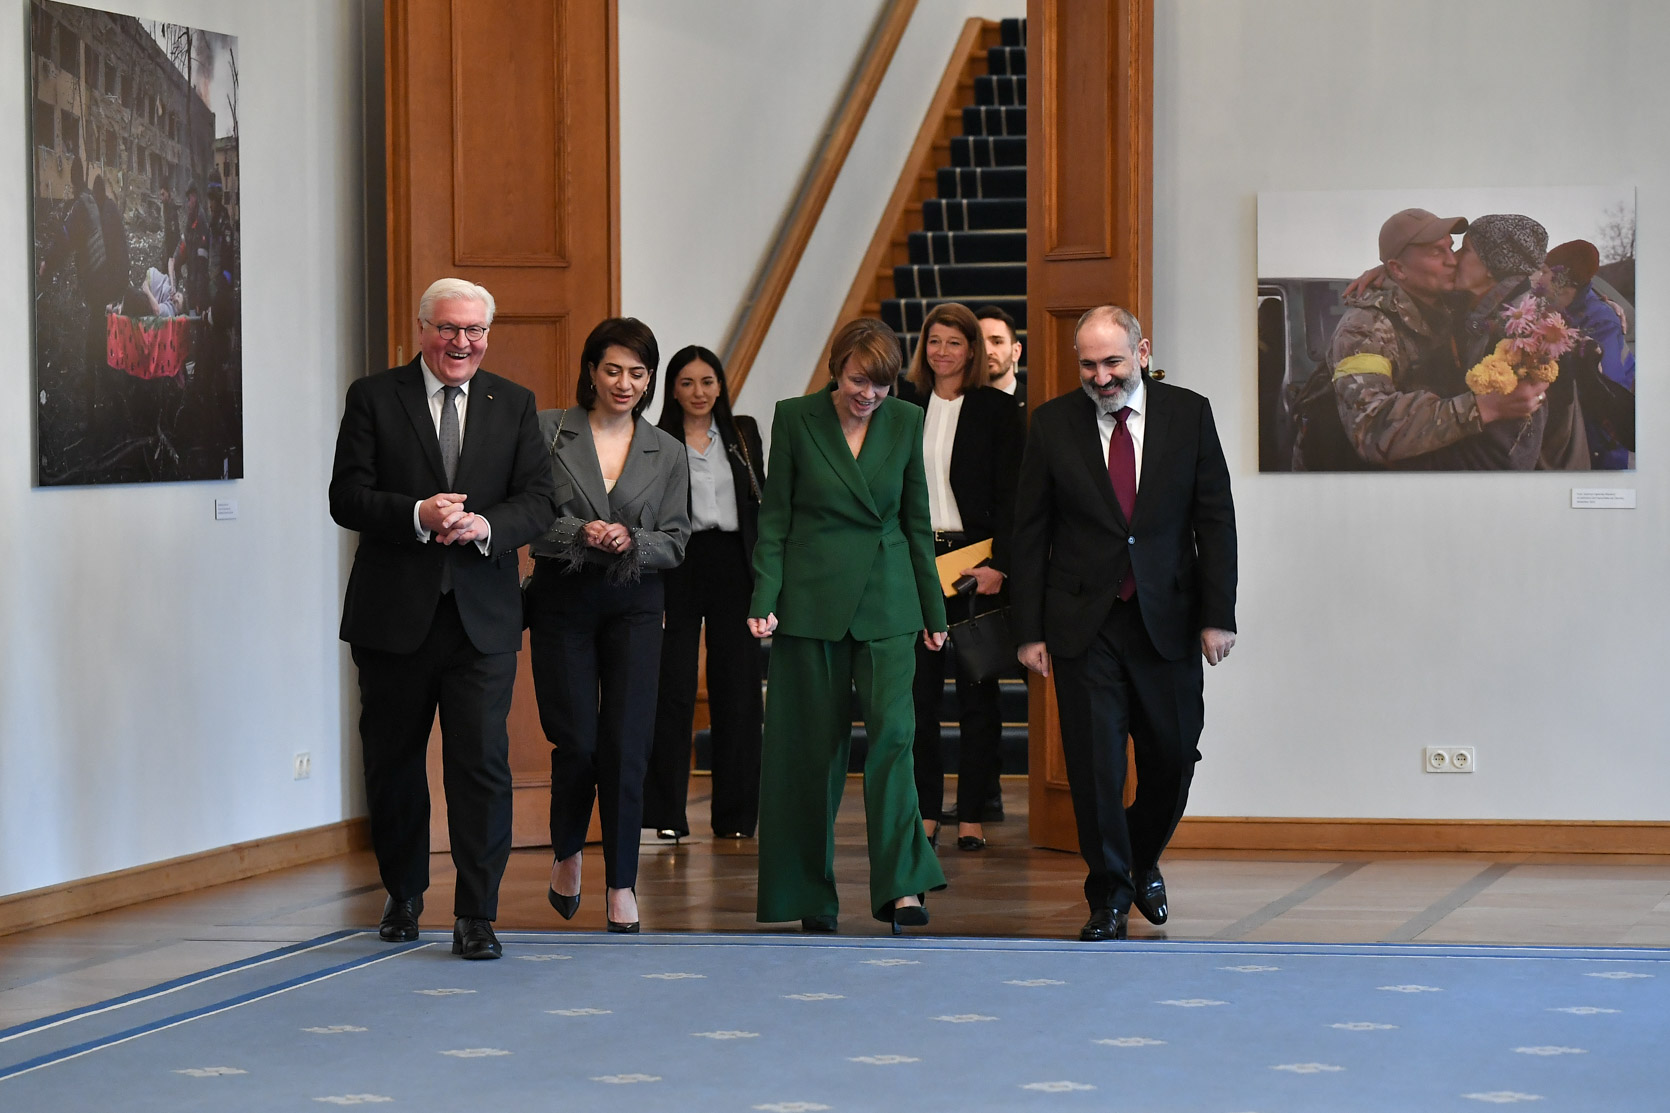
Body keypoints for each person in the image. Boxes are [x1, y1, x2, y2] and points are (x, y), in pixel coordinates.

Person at [329, 277, 557, 960]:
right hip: (393, 617)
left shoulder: (513, 403)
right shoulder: (374, 396)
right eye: (449, 328)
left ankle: (476, 913)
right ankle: (403, 895)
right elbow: (346, 496)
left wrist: (486, 526)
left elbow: (539, 500)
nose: (462, 342)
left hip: (482, 618)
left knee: (480, 766)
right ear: (423, 328)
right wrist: (416, 515)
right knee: (394, 763)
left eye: (475, 331)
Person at [1011, 305, 1237, 942]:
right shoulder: (1052, 423)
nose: (1101, 377)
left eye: (1112, 362)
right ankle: (1108, 894)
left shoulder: (1189, 414)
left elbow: (1215, 519)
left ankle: (1141, 858)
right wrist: (1028, 630)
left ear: (1141, 352)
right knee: (1095, 768)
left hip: (1167, 620)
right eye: (1088, 364)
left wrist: (1218, 615)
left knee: (1175, 754)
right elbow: (1029, 532)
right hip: (1084, 624)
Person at [749, 317, 948, 934]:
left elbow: (917, 520)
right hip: (810, 603)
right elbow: (775, 519)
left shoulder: (905, 420)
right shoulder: (794, 417)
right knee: (809, 752)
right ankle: (808, 893)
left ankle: (904, 888)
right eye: (860, 381)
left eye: (882, 384)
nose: (870, 395)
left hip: (889, 601)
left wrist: (934, 610)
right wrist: (764, 596)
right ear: (837, 368)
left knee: (895, 742)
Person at [528, 318, 690, 934]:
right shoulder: (548, 429)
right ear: (591, 372)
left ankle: (622, 883)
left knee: (627, 745)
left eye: (638, 373)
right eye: (613, 370)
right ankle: (567, 849)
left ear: (650, 380)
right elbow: (526, 514)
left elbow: (676, 540)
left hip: (635, 601)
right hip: (562, 598)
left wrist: (633, 539)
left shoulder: (667, 449)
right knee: (577, 740)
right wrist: (580, 531)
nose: (625, 383)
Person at [903, 303, 1023, 852]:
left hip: (975, 564)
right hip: (916, 561)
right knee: (919, 697)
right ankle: (927, 811)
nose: (942, 352)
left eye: (954, 342)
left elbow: (1015, 497)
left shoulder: (997, 409)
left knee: (978, 695)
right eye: (934, 341)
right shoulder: (904, 406)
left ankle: (972, 812)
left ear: (972, 350)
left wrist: (1001, 565)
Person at [644, 346, 765, 841]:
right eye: (688, 382)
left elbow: (761, 502)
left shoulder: (743, 433)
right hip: (678, 562)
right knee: (671, 687)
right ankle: (668, 815)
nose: (699, 392)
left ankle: (736, 816)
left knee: (738, 689)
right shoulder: (655, 438)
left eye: (708, 381)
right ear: (672, 389)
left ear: (720, 386)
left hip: (735, 563)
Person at [1322, 208, 1547, 469]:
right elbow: (1371, 428)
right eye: (1436, 253)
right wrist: (1480, 408)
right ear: (1398, 269)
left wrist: (1390, 270)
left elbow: (1518, 275)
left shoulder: (1452, 303)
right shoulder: (1363, 328)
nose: (1453, 260)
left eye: (1451, 247)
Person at [1539, 239, 1634, 469]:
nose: (1539, 279)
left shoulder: (1602, 320)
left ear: (1563, 280)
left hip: (1601, 444)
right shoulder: (1558, 309)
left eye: (1544, 272)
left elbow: (1604, 392)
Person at [974, 304, 1025, 407]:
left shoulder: (1036, 402)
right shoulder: (959, 403)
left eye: (997, 342)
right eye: (980, 343)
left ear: (1016, 351)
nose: (987, 351)